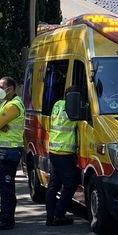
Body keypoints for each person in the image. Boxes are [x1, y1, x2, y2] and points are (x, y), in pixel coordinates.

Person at [0, 76, 25, 231]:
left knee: (6, 187)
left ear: (11, 89)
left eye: (3, 87)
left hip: (9, 151)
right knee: (5, 186)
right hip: (4, 150)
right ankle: (5, 217)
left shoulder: (12, 106)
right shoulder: (5, 104)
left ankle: (7, 220)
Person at [45, 89, 79, 227]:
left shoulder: (58, 104)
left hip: (54, 151)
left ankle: (50, 216)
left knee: (53, 185)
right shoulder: (72, 108)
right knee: (71, 184)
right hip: (65, 151)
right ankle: (58, 215)